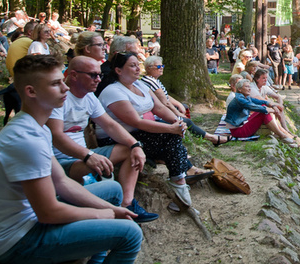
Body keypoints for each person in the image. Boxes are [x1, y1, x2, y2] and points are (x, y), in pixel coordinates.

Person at [0, 55, 143, 264]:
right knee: (129, 235)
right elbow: (49, 212)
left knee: (112, 191)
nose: (65, 88)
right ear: (31, 91)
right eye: (55, 83)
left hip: (31, 222)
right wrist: (105, 216)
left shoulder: (36, 127)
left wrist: (110, 208)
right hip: (18, 241)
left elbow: (61, 183)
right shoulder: (25, 139)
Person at [47, 56, 158, 222]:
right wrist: (88, 156)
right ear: (74, 75)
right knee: (97, 170)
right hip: (59, 162)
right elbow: (57, 136)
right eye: (93, 75)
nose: (98, 79)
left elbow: (110, 125)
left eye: (100, 75)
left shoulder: (89, 97)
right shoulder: (59, 99)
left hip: (84, 155)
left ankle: (126, 204)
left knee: (129, 150)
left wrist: (135, 145)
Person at [95, 53, 194, 207]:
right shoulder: (113, 91)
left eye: (137, 64)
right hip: (118, 137)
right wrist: (171, 128)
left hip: (139, 133)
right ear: (118, 70)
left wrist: (177, 122)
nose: (137, 68)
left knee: (173, 138)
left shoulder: (140, 85)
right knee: (170, 136)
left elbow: (159, 107)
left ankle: (179, 179)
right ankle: (179, 181)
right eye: (132, 65)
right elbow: (136, 121)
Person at [139, 56, 230, 147]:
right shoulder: (150, 81)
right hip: (157, 114)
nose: (161, 68)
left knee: (184, 107)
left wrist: (179, 104)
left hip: (162, 109)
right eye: (158, 66)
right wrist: (177, 113)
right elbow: (165, 102)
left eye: (162, 66)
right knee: (186, 121)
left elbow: (166, 95)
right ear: (148, 68)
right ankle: (212, 138)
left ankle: (187, 132)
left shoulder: (154, 80)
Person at [225, 79, 298, 145]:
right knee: (264, 113)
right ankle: (282, 135)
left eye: (249, 87)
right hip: (238, 131)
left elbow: (261, 102)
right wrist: (273, 110)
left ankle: (280, 132)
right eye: (247, 87)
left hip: (242, 125)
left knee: (264, 106)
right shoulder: (240, 100)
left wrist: (273, 106)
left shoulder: (244, 97)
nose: (249, 89)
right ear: (240, 89)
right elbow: (254, 107)